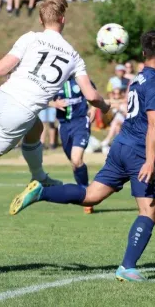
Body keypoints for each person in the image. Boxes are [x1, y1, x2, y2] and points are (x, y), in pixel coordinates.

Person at [9, 30, 155, 282]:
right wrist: (150, 160)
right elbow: (153, 125)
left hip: (121, 146)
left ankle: (40, 192)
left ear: (144, 54)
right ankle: (127, 267)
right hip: (137, 152)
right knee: (149, 211)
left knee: (91, 196)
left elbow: (143, 122)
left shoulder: (138, 78)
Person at [0, 0, 110, 214]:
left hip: (2, 100)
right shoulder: (73, 56)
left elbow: (1, 69)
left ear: (41, 21)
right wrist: (106, 107)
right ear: (63, 19)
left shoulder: (30, 38)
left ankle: (39, 176)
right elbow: (91, 95)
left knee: (36, 128)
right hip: (19, 114)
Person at [49, 76, 96, 214]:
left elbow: (93, 94)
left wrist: (93, 108)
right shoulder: (54, 81)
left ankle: (86, 195)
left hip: (80, 122)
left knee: (77, 159)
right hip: (64, 126)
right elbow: (40, 99)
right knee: (74, 163)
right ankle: (84, 192)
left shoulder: (81, 79)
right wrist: (54, 104)